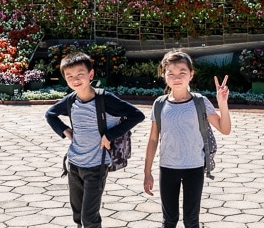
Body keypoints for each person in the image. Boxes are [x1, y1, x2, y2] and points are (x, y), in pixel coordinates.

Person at [45, 52, 145, 228]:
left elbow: (137, 115)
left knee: (89, 218)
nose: (75, 79)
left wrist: (109, 135)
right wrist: (65, 131)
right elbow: (50, 114)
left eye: (80, 74)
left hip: (96, 166)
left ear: (91, 75)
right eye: (70, 76)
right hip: (74, 164)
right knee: (77, 215)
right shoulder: (70, 100)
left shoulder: (104, 99)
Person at [143, 50, 231, 228]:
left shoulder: (200, 102)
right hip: (167, 167)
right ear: (164, 75)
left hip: (194, 167)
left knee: (191, 221)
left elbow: (225, 129)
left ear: (191, 74)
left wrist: (222, 103)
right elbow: (153, 140)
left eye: (182, 72)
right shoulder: (159, 104)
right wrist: (147, 172)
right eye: (171, 73)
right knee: (169, 220)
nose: (177, 77)